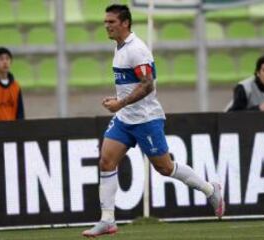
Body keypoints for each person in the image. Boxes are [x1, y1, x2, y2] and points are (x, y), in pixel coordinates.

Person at [82, 4, 224, 238]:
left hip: (146, 119)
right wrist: (118, 101)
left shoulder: (137, 49)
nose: (106, 26)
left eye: (111, 22)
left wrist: (120, 103)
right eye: (105, 22)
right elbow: (130, 83)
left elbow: (148, 85)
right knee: (106, 162)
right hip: (125, 118)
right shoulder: (118, 47)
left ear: (125, 23)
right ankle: (107, 220)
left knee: (165, 167)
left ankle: (210, 189)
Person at [0, 47, 24, 121]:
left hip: (12, 130)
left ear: (11, 62)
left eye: (7, 59)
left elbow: (20, 113)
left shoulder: (16, 86)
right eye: (1, 59)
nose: (5, 62)